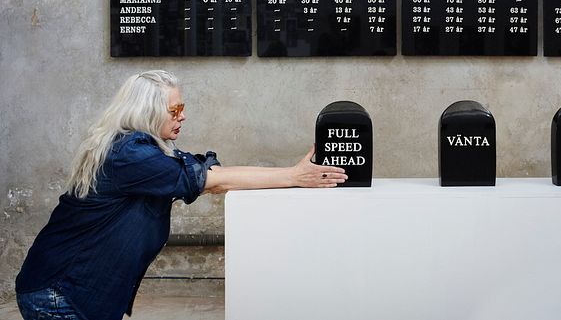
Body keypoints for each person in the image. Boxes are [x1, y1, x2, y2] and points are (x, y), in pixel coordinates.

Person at [15, 70, 347, 320]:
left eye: (182, 107)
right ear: (146, 112)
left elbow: (204, 172)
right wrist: (293, 176)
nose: (182, 116)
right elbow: (209, 180)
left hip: (71, 290)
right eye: (174, 110)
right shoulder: (130, 153)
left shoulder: (146, 149)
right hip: (60, 293)